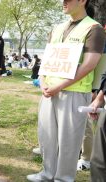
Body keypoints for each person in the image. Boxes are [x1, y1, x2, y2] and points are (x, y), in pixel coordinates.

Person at [26, 0, 106, 181]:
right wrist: (44, 81)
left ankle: (63, 178)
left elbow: (89, 65)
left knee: (69, 140)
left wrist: (59, 86)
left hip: (74, 93)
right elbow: (46, 59)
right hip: (49, 91)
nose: (63, 2)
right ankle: (47, 173)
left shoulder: (94, 28)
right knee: (47, 135)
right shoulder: (57, 28)